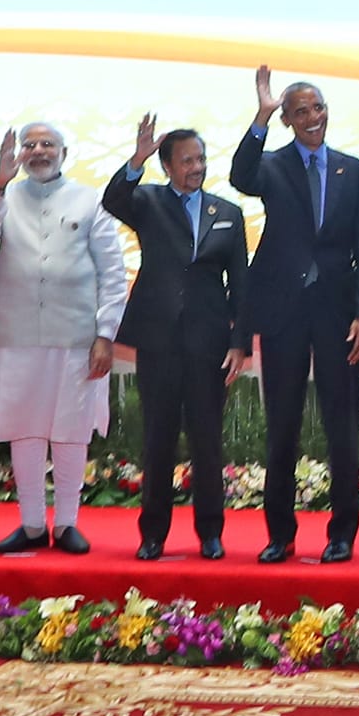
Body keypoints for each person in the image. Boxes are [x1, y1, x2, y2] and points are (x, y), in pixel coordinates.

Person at [230, 67, 359, 564]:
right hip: (283, 313)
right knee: (282, 427)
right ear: (289, 120)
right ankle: (281, 535)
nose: (312, 118)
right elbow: (239, 176)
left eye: (317, 108)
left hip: (339, 316)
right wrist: (261, 117)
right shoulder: (271, 165)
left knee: (343, 429)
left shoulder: (353, 170)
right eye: (300, 112)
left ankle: (343, 535)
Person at [0, 121, 130, 555]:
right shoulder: (3, 197)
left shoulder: (91, 199)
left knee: (72, 430)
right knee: (25, 430)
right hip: (14, 335)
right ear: (19, 153)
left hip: (75, 336)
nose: (38, 151)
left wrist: (105, 333)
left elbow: (113, 272)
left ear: (64, 151)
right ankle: (33, 525)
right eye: (30, 145)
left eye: (47, 144)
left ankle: (69, 523)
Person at [107, 118, 251, 561]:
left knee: (207, 441)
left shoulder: (227, 213)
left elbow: (240, 284)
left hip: (209, 342)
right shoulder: (148, 201)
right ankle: (153, 534)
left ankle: (210, 532)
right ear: (167, 166)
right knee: (159, 439)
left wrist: (239, 341)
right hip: (159, 340)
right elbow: (113, 199)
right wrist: (137, 158)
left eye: (201, 159)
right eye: (186, 160)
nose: (196, 167)